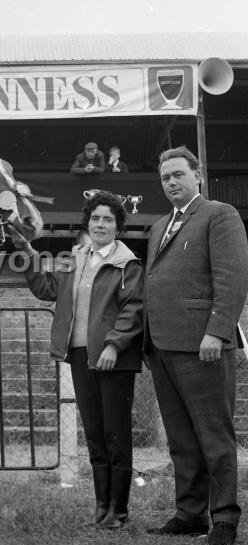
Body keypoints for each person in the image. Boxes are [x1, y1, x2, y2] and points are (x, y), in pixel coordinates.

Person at [11, 191, 143, 530]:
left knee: (116, 435)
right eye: (96, 218)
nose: (100, 224)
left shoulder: (127, 263)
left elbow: (133, 309)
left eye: (108, 220)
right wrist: (26, 251)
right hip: (81, 355)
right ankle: (101, 508)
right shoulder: (74, 258)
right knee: (95, 435)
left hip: (114, 357)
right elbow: (46, 288)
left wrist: (114, 345)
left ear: (118, 226)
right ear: (88, 222)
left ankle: (119, 511)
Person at [144, 147, 248, 545]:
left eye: (177, 175)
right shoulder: (157, 227)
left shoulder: (219, 214)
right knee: (181, 440)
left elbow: (233, 278)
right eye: (165, 178)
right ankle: (189, 513)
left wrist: (217, 332)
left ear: (197, 175)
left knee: (214, 437)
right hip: (163, 347)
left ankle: (224, 520)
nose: (171, 183)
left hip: (203, 346)